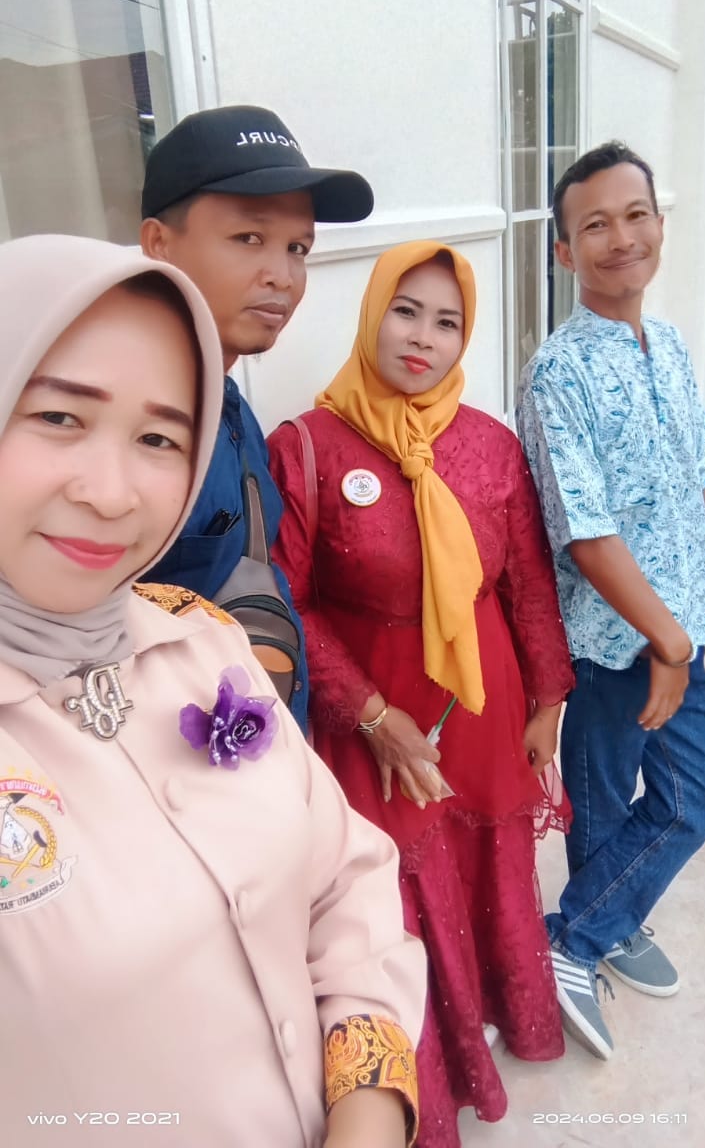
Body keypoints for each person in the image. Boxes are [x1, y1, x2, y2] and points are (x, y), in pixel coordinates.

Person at [0, 234, 426, 1148]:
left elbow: (344, 881)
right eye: (60, 418)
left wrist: (369, 1112)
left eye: (159, 437)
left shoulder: (203, 643)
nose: (113, 494)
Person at [267, 240, 575, 1143]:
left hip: (482, 703)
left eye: (447, 322)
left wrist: (548, 698)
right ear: (373, 314)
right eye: (406, 311)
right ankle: (429, 1075)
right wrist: (371, 714)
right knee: (390, 898)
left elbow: (526, 580)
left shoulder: (489, 445)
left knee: (487, 865)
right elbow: (286, 601)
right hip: (372, 711)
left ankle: (488, 1020)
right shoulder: (307, 447)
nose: (422, 338)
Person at [516, 141, 705, 1061]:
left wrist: (699, 618)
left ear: (660, 226)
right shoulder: (557, 372)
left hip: (683, 627)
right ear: (565, 251)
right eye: (594, 224)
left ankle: (593, 922)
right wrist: (664, 643)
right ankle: (583, 937)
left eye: (635, 215)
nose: (620, 237)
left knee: (690, 798)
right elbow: (584, 530)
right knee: (607, 806)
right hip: (613, 646)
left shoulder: (668, 344)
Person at [140, 104, 374, 732]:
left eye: (298, 248)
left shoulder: (229, 402)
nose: (282, 276)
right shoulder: (135, 430)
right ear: (159, 244)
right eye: (249, 238)